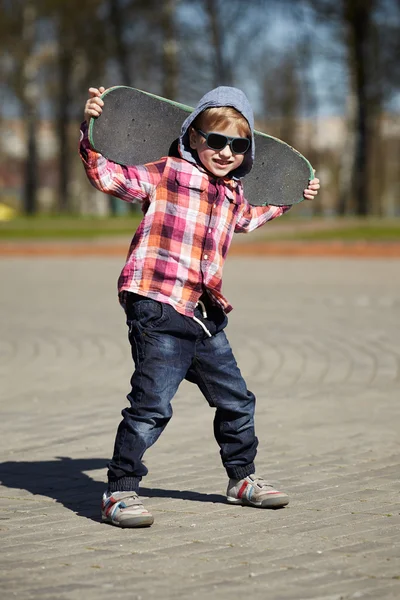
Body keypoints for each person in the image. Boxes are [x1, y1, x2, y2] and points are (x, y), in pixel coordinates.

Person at [80, 85, 320, 528]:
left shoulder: (232, 194)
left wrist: (291, 194)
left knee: (237, 400)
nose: (225, 152)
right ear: (193, 137)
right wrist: (91, 129)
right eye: (216, 140)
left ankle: (242, 479)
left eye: (237, 145)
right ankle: (119, 491)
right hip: (157, 304)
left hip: (204, 314)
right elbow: (109, 177)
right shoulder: (166, 172)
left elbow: (249, 218)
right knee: (151, 406)